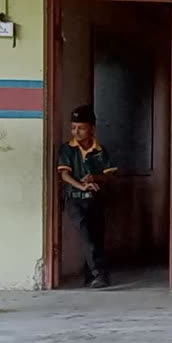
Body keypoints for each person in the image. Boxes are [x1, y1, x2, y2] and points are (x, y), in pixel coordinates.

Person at [56, 105, 117, 288]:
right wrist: (82, 185)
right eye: (73, 127)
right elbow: (65, 175)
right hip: (75, 198)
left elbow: (110, 175)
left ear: (92, 128)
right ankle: (100, 274)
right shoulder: (67, 149)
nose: (77, 132)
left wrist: (95, 178)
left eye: (81, 128)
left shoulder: (100, 150)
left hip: (96, 199)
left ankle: (90, 274)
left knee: (96, 237)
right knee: (87, 237)